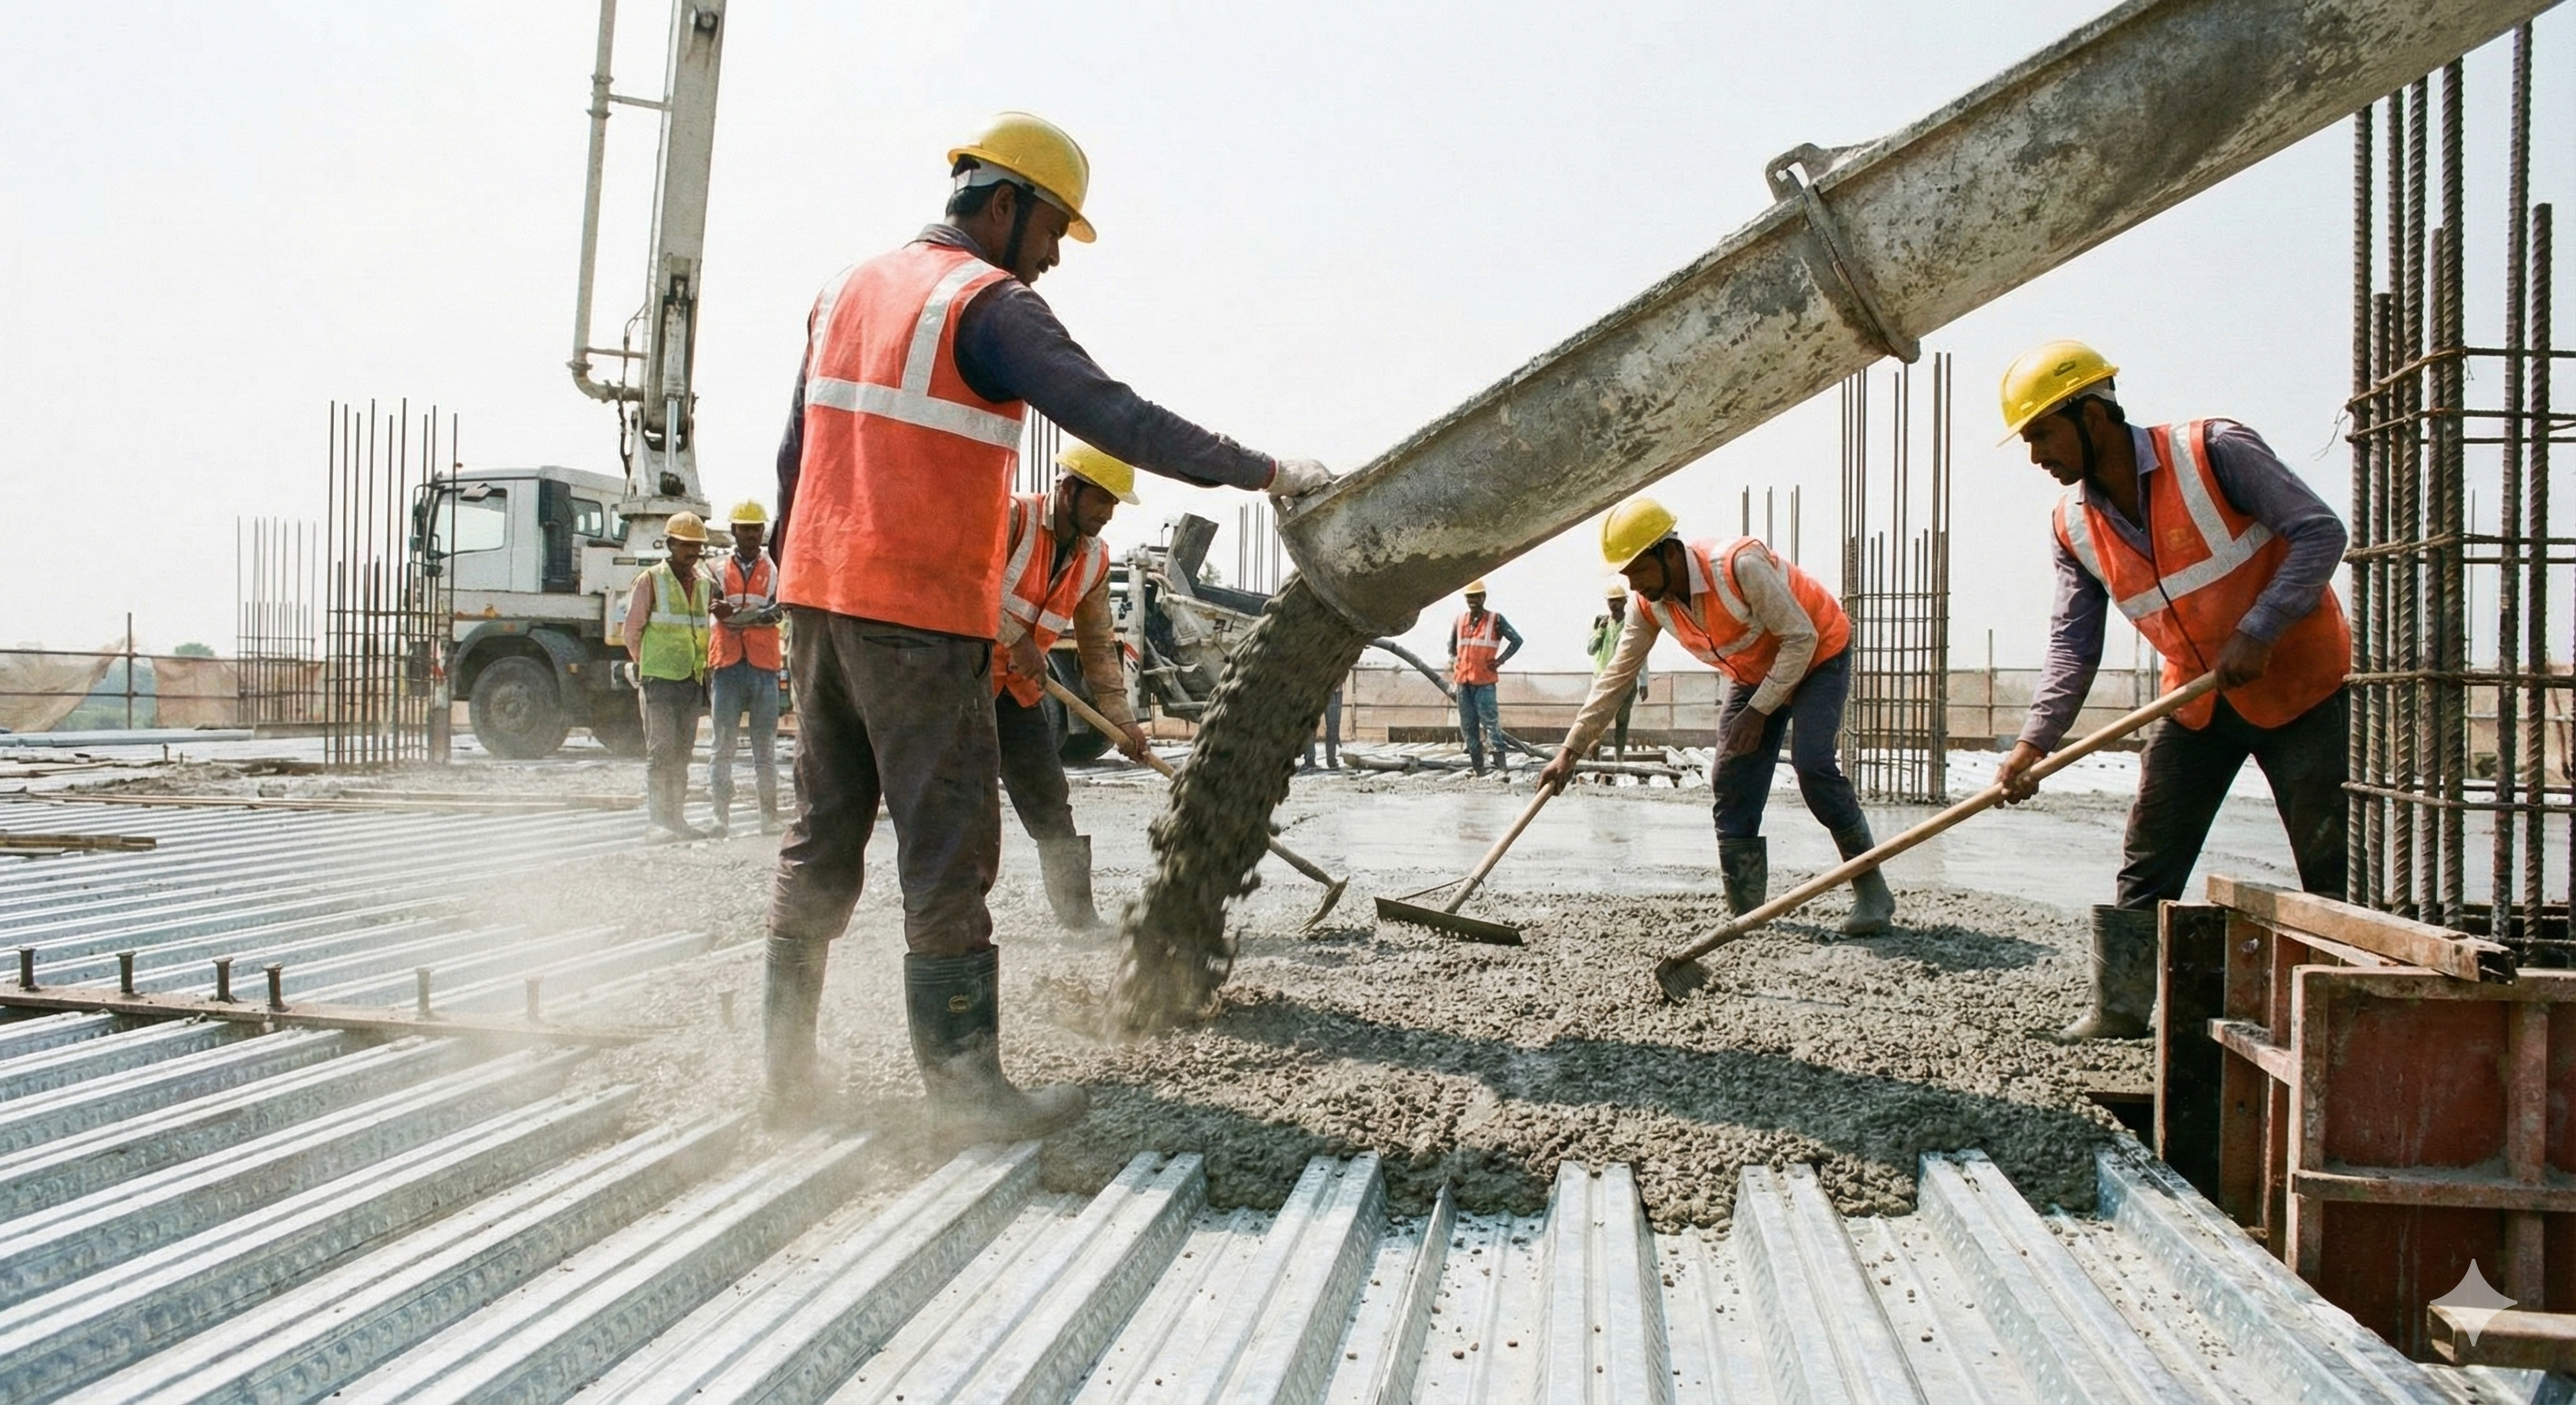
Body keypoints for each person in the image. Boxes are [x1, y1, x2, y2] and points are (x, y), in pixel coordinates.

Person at [761, 112, 1334, 1136]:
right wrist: (1267, 471)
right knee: (947, 846)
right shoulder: (986, 304)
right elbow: (1114, 416)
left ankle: (783, 1082)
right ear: (1002, 203)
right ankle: (965, 1091)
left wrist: (795, 576)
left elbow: (793, 450)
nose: (1056, 255)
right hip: (918, 610)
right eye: (1052, 228)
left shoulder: (845, 287)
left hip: (819, 599)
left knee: (822, 836)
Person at [1992, 340, 2351, 1040]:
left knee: (2329, 861)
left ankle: (2345, 1019)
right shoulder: (2073, 525)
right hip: (2198, 703)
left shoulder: (2214, 451)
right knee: (2149, 854)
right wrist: (2033, 742)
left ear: (2092, 415)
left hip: (2303, 692)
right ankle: (2120, 1010)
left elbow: (2319, 532)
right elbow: (2074, 642)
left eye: (2042, 432)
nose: (2036, 456)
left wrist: (2262, 627)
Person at [1540, 498, 1895, 936]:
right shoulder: (1650, 603)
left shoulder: (1738, 566)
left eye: (1638, 570)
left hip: (1817, 654)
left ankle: (1871, 890)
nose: (1633, 585)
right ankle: (1746, 914)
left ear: (1668, 553)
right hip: (1754, 671)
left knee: (1813, 766)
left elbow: (1800, 639)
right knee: (1730, 779)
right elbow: (1617, 675)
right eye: (1625, 575)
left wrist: (1759, 711)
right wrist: (1570, 750)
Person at [994, 441, 1154, 930]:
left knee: (1049, 799)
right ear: (1068, 489)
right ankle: (953, 933)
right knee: (960, 808)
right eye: (1100, 498)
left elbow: (1098, 647)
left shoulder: (1095, 559)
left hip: (1016, 694)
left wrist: (1122, 722)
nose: (1107, 512)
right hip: (961, 685)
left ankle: (1080, 920)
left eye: (1113, 503)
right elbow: (964, 581)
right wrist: (1015, 638)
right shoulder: (1014, 519)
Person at [620, 510, 718, 843]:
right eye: (686, 545)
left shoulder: (704, 583)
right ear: (670, 544)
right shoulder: (650, 580)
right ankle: (657, 823)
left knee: (682, 755)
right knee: (661, 752)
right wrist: (647, 665)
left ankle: (676, 820)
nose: (692, 552)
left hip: (691, 680)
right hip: (659, 680)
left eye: (696, 547)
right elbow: (632, 631)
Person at [708, 500, 786, 836]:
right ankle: (719, 817)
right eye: (745, 528)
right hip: (727, 662)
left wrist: (744, 617)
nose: (751, 534)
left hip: (763, 664)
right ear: (734, 531)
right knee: (722, 745)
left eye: (756, 528)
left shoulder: (776, 569)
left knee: (764, 749)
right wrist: (753, 616)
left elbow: (779, 610)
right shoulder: (714, 568)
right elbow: (711, 604)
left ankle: (768, 817)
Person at [1448, 581, 1523, 776]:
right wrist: (1455, 661)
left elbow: (1516, 640)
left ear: (1483, 597)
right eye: (1469, 597)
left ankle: (1501, 769)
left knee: (1491, 725)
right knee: (1468, 727)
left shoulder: (1495, 620)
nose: (1472, 600)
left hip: (1484, 682)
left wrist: (1500, 661)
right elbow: (1451, 646)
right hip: (1463, 683)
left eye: (1476, 596)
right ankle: (1479, 769)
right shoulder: (1460, 620)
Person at [1585, 577, 1647, 762]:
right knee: (1597, 719)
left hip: (1626, 678)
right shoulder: (1601, 623)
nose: (1615, 604)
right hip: (1602, 677)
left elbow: (1641, 651)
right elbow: (1591, 650)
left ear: (1625, 601)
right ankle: (1594, 754)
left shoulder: (1632, 624)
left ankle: (1619, 757)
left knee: (1622, 719)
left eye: (1618, 600)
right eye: (1612, 600)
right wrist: (1600, 631)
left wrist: (1643, 682)